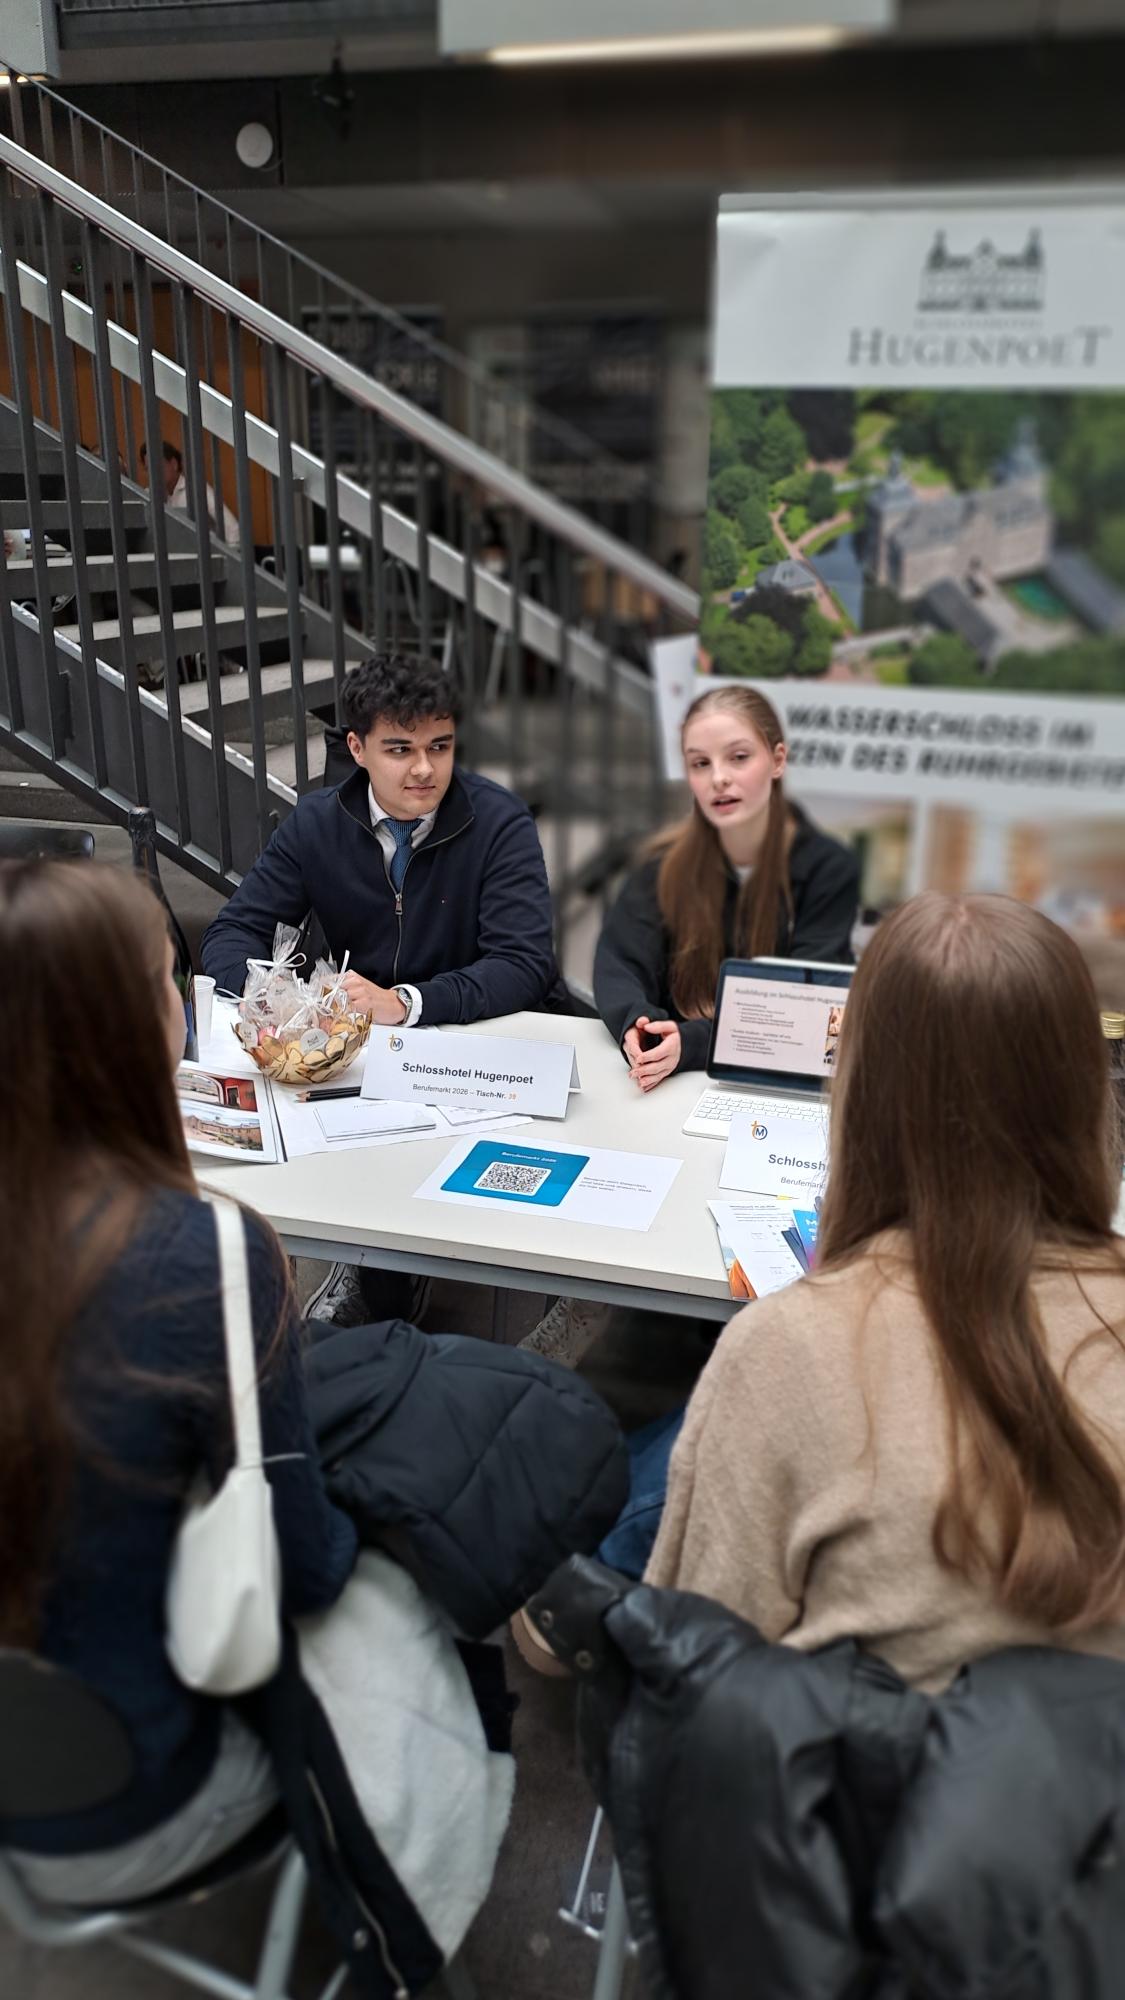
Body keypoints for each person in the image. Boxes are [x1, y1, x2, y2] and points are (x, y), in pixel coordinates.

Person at [646, 892, 1125, 1693]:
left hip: (860, 1762)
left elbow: (693, 1663)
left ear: (861, 1088)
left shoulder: (783, 1348)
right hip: (1089, 1765)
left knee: (633, 1483)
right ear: (1081, 1085)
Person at [0, 859, 357, 1901]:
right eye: (169, 977)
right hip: (123, 1794)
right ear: (121, 1028)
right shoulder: (205, 1252)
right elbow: (302, 1567)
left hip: (39, 1754)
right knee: (398, 1601)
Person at [202, 651, 565, 1322]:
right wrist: (271, 1001)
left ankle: (450, 1286)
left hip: (469, 1039)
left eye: (439, 746)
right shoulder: (317, 823)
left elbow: (523, 963)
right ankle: (367, 1278)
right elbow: (233, 932)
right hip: (355, 1049)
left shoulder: (498, 821)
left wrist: (405, 1003)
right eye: (400, 749)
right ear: (357, 748)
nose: (424, 769)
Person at [594, 684, 859, 1091]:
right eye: (700, 763)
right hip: (670, 1085)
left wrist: (692, 1043)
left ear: (777, 760)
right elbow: (619, 965)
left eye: (738, 757)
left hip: (781, 1088)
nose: (718, 778)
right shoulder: (660, 868)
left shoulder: (828, 869)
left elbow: (801, 1008)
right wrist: (638, 1024)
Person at [140, 437, 240, 548]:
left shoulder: (196, 489)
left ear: (174, 464)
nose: (153, 473)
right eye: (148, 469)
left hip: (206, 552)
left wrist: (230, 555)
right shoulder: (148, 495)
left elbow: (233, 528)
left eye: (158, 466)